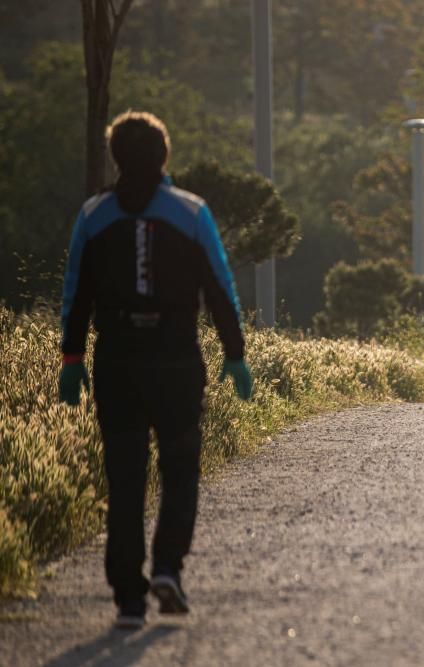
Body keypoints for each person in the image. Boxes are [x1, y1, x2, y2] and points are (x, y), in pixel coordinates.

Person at [58, 111, 253, 629]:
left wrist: (70, 360)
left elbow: (76, 295)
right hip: (175, 360)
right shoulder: (191, 212)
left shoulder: (93, 215)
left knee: (125, 477)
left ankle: (127, 595)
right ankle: (167, 567)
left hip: (116, 361)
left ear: (115, 157)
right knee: (180, 467)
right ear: (165, 156)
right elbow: (219, 287)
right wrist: (234, 354)